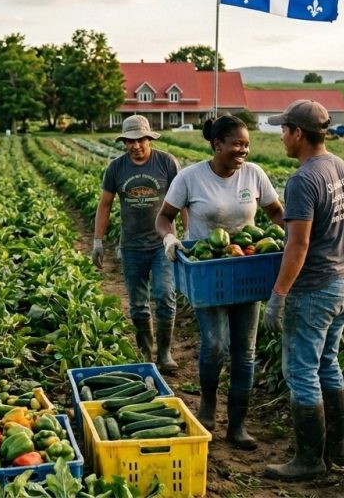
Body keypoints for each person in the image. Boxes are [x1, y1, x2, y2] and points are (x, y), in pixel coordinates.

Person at [156, 115, 284, 450]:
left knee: (245, 352)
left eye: (246, 144)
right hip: (208, 270)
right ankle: (208, 407)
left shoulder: (254, 174)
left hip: (247, 267)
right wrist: (169, 239)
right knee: (214, 345)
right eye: (237, 144)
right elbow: (163, 217)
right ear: (217, 145)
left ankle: (238, 424)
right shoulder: (190, 177)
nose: (243, 150)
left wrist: (295, 237)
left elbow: (275, 213)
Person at [261, 100, 344, 480]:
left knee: (301, 371)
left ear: (298, 134)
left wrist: (279, 295)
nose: (281, 137)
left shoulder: (303, 179)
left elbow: (298, 245)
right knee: (328, 363)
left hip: (315, 289)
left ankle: (309, 460)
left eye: (284, 130)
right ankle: (335, 448)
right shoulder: (342, 168)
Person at [93, 114, 184, 372]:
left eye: (140, 140)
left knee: (165, 296)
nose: (135, 146)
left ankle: (165, 353)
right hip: (131, 246)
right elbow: (105, 204)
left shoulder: (167, 163)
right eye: (129, 141)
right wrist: (97, 241)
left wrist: (187, 235)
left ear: (149, 139)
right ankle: (146, 352)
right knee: (137, 304)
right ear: (124, 142)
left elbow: (183, 200)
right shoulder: (116, 168)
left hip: (162, 244)